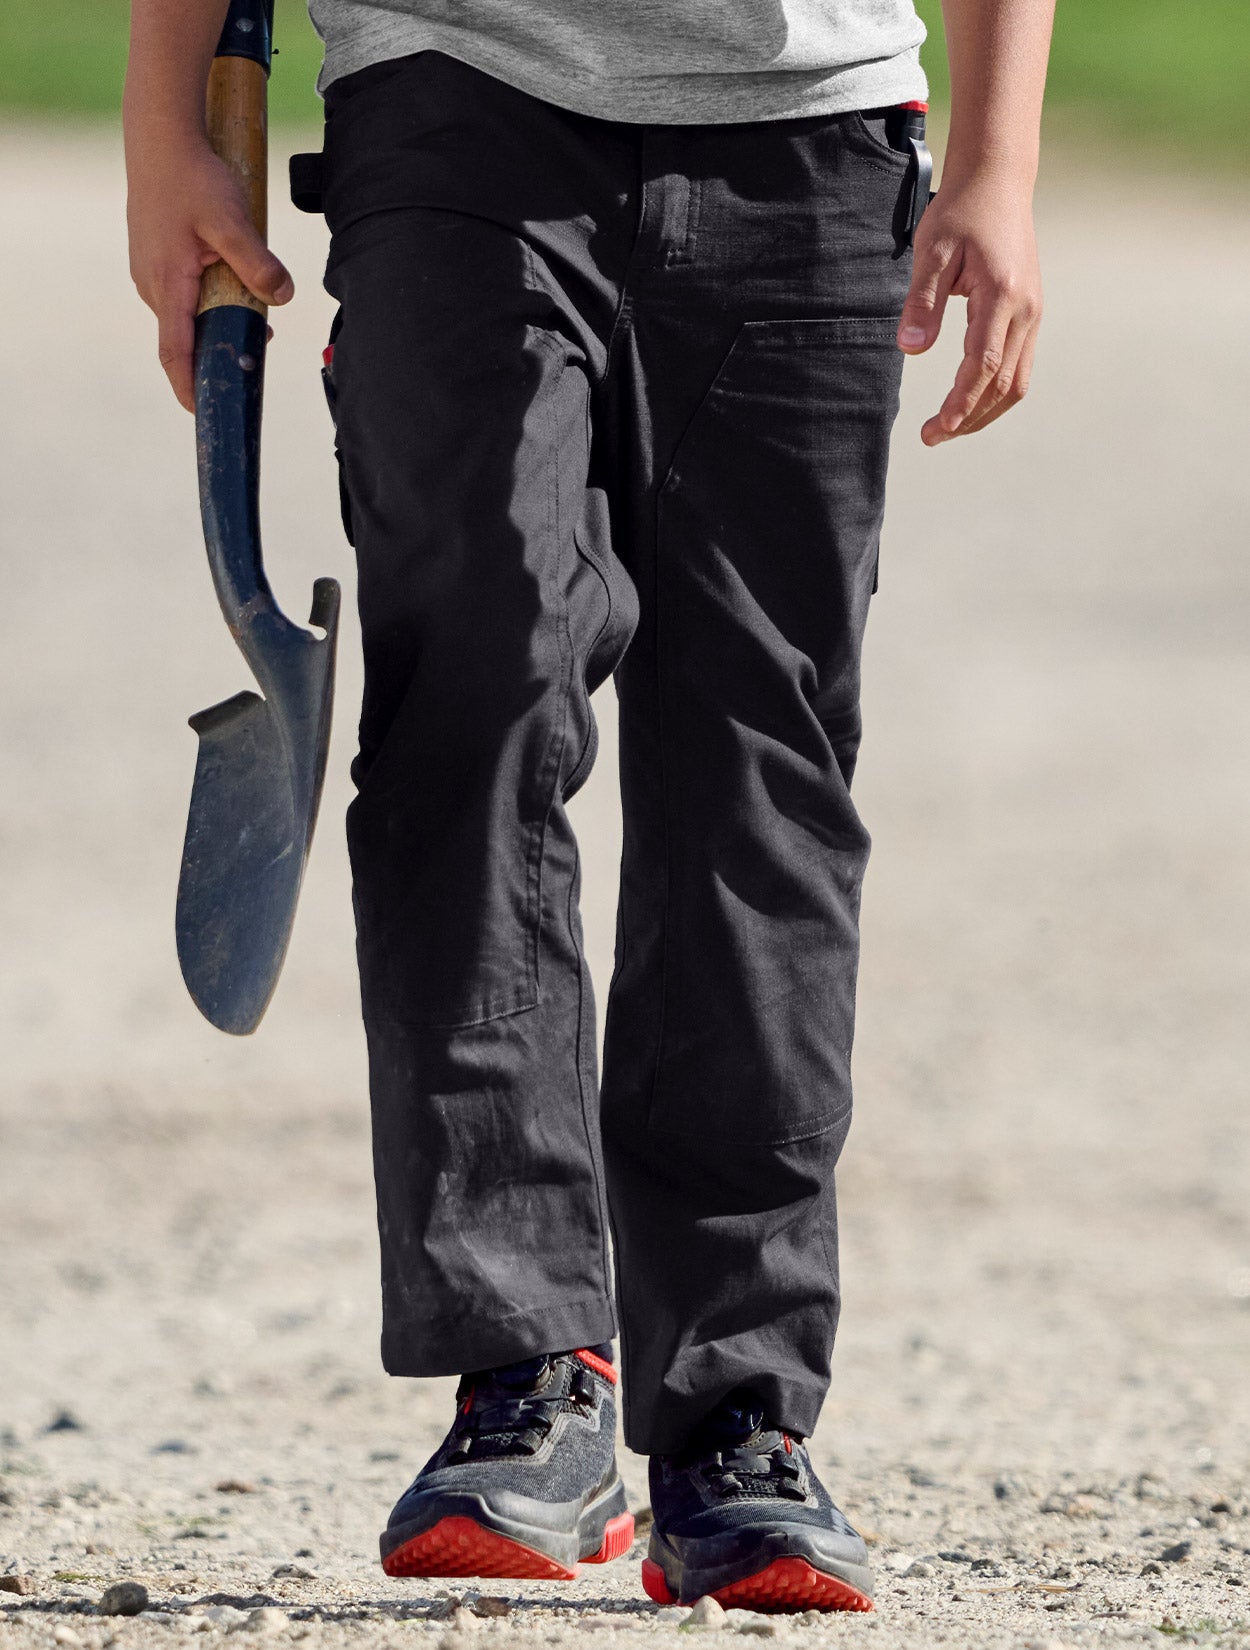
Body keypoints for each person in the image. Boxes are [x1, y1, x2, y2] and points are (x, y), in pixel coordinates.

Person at [124, 0, 1053, 1612]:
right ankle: (525, 1370)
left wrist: (995, 157)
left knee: (759, 775)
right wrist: (165, 124)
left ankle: (741, 1420)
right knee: (468, 697)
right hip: (452, 102)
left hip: (812, 140)